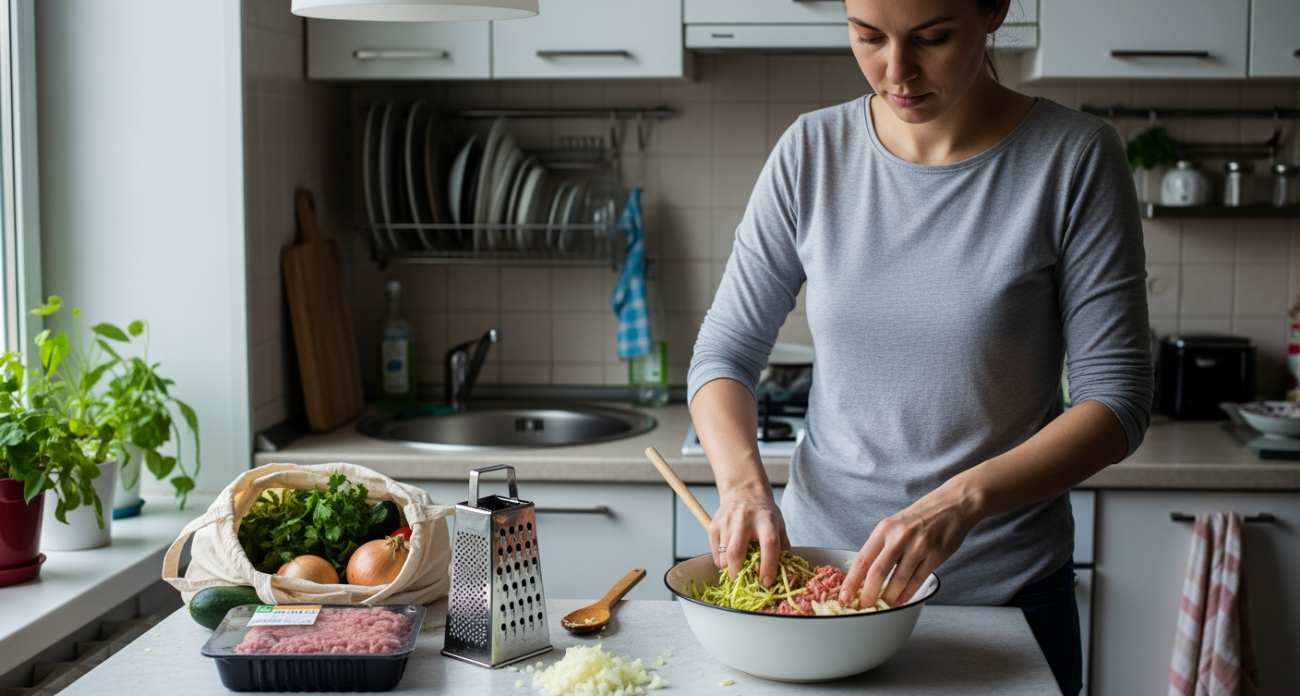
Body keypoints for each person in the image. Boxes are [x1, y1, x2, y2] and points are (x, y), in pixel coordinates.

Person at [685, 0, 1152, 693]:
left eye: (932, 38)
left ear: (993, 11)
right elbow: (724, 352)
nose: (896, 71)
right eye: (867, 36)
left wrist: (958, 501)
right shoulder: (811, 152)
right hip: (824, 595)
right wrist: (743, 483)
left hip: (1002, 600)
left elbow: (1117, 402)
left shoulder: (1074, 157)